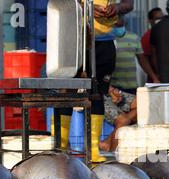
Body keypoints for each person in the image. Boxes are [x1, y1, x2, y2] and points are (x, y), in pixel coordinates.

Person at [53, 0, 133, 163]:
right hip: (75, 39)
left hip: (105, 41)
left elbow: (129, 3)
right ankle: (59, 147)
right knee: (67, 90)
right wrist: (87, 8)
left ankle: (93, 148)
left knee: (98, 93)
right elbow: (62, 4)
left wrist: (116, 8)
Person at [110, 16, 159, 95]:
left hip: (131, 86)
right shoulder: (108, 39)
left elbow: (142, 60)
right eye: (116, 25)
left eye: (120, 26)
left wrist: (154, 77)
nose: (118, 28)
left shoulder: (134, 38)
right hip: (113, 86)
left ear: (124, 23)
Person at [99, 86, 137, 152]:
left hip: (105, 90)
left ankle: (107, 142)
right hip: (93, 93)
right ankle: (113, 154)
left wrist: (112, 89)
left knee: (143, 103)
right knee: (123, 120)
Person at [141, 7, 164, 83]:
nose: (160, 20)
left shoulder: (166, 33)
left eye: (162, 18)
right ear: (150, 21)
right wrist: (154, 76)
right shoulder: (146, 37)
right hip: (155, 80)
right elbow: (145, 60)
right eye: (157, 18)